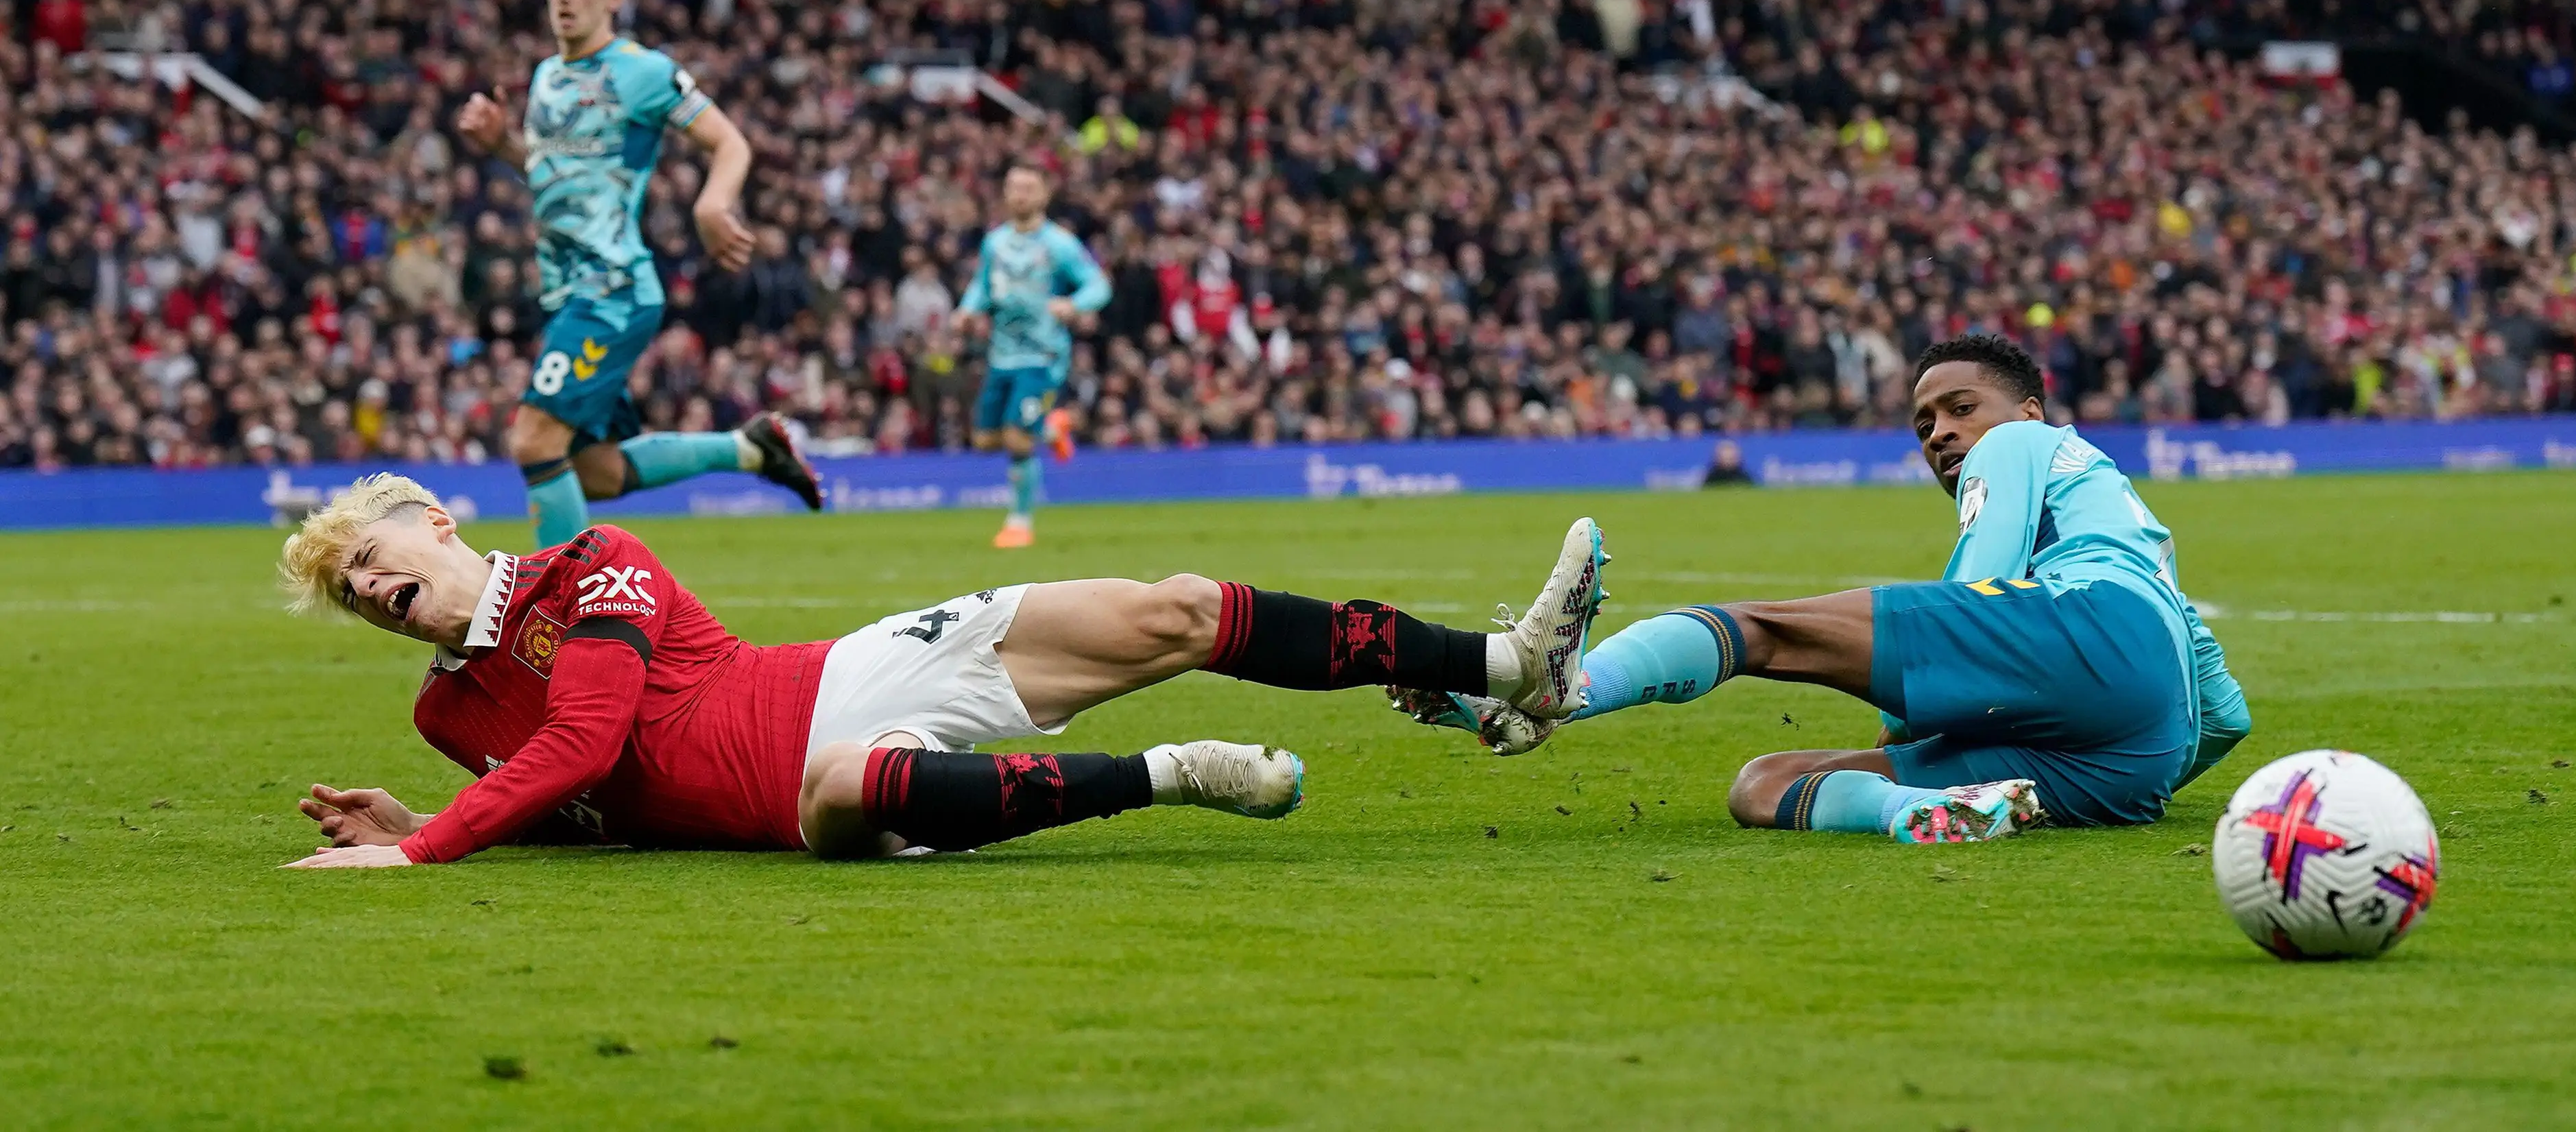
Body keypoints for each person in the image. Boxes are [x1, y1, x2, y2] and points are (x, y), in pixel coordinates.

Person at [273, 475, 1606, 867]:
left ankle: (1511, 664)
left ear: (436, 520)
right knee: (847, 789)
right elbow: (589, 803)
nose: (374, 591)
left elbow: (586, 739)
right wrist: (435, 813)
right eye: (352, 594)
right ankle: (1169, 773)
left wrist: (425, 845)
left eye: (374, 558)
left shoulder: (591, 563)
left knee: (1179, 606)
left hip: (840, 672)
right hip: (801, 795)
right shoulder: (445, 710)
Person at [1399, 332, 2251, 843]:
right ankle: (1913, 814)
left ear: (2029, 410)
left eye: (1962, 409)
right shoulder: (2147, 549)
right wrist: (2139, 766)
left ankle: (1566, 690)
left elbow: (1983, 582)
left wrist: (1914, 707)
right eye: (1925, 424)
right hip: (2130, 764)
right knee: (1764, 785)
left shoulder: (2021, 444)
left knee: (1758, 629)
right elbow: (2225, 718)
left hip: (2086, 635)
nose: (1942, 434)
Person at [454, 0, 823, 546]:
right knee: (594, 472)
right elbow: (553, 174)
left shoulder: (645, 71)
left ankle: (565, 601)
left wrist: (714, 203)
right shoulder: (546, 76)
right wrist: (502, 145)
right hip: (569, 292)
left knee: (535, 440)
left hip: (613, 289)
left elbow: (730, 142)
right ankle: (750, 447)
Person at [956, 163, 1109, 549]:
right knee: (984, 440)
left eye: (1028, 188)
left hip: (1043, 355)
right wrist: (967, 310)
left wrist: (1073, 304)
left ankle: (1019, 523)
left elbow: (1098, 284)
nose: (1020, 195)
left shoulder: (1059, 243)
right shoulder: (995, 242)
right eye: (1014, 187)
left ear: (1044, 194)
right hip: (1001, 355)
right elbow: (983, 286)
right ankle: (1052, 428)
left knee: (1018, 439)